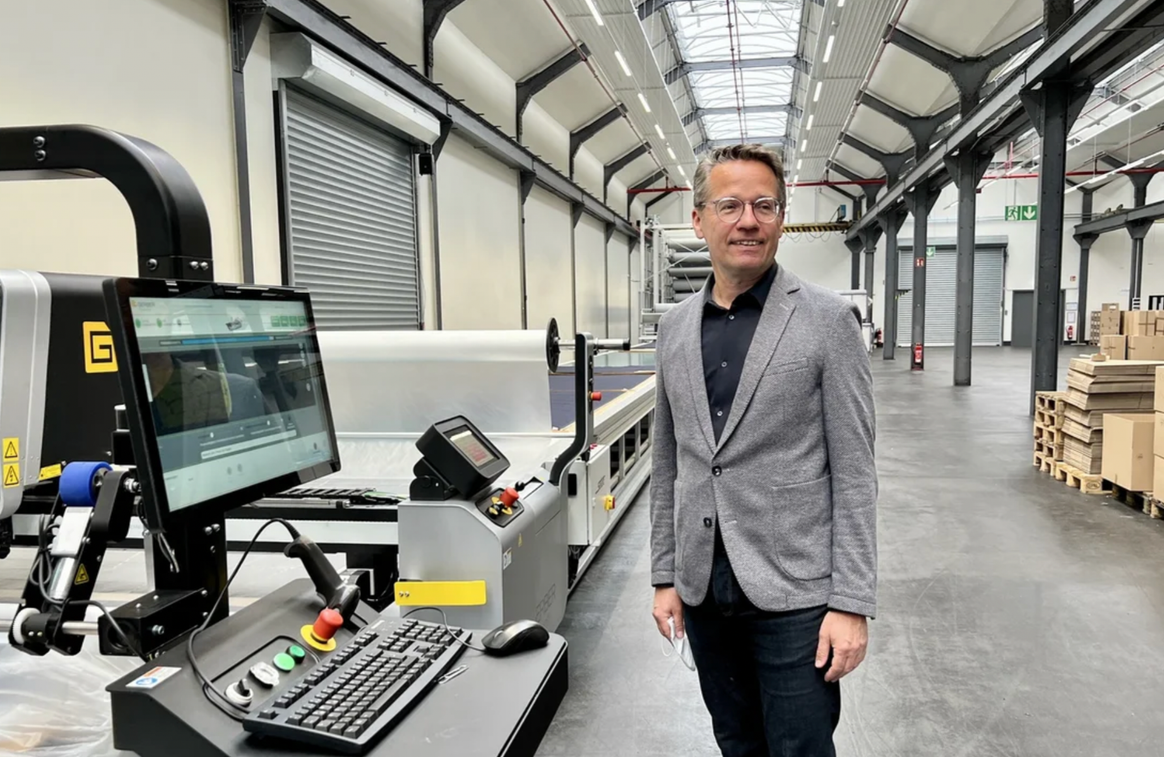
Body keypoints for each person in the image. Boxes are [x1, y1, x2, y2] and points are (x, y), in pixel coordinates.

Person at [649, 143, 877, 757]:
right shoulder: (673, 328)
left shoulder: (828, 321)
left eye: (763, 205)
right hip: (703, 586)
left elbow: (855, 473)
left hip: (795, 593)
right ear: (698, 220)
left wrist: (851, 603)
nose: (747, 220)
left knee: (800, 747)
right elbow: (670, 462)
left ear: (780, 218)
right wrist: (665, 575)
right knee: (736, 742)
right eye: (729, 205)